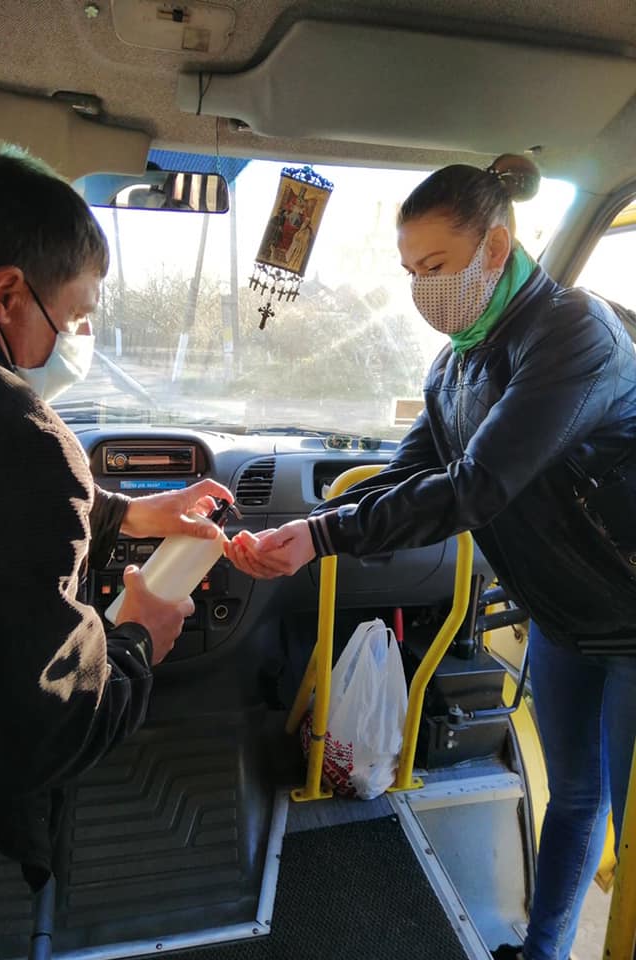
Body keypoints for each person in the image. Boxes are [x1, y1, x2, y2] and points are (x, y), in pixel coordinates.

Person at [225, 153, 636, 960]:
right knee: (574, 798)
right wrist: (309, 526)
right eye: (411, 271)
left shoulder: (572, 336)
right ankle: (545, 951)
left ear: (496, 246)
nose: (422, 289)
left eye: (437, 266)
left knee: (630, 821)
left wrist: (321, 539)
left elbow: (477, 486)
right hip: (563, 619)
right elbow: (407, 476)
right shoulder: (454, 366)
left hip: (630, 617)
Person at [0, 143, 233, 884]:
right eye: (76, 315)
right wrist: (137, 639)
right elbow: (49, 732)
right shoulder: (16, 434)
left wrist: (129, 515)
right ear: (6, 296)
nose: (79, 339)